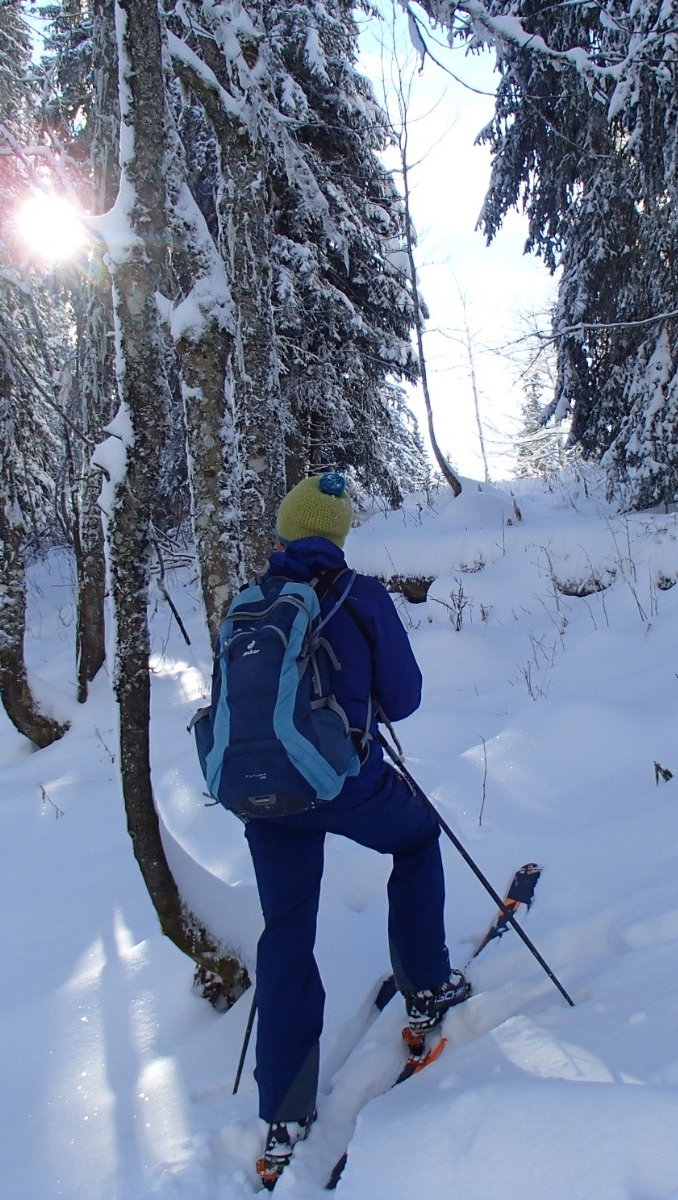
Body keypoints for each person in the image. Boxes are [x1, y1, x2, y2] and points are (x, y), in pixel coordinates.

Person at [243, 472, 470, 1188]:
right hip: (342, 780)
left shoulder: (249, 604)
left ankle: (282, 1107)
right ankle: (427, 985)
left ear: (282, 532)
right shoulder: (361, 595)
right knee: (416, 837)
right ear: (337, 536)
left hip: (262, 795)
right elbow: (403, 699)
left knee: (286, 929)